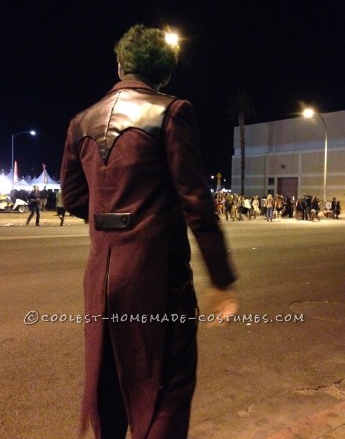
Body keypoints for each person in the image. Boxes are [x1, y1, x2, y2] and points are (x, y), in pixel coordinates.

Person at [61, 24, 238, 439]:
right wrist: (222, 281)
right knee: (166, 392)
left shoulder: (80, 122)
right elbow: (196, 201)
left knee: (108, 390)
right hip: (158, 281)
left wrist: (111, 222)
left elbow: (71, 196)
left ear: (120, 63)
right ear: (165, 74)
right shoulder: (171, 111)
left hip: (100, 284)